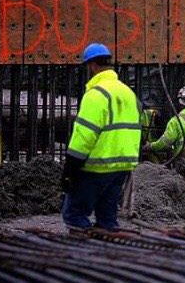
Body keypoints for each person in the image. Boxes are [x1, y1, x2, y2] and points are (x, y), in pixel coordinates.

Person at [61, 43, 142, 232]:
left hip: (96, 166)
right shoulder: (128, 93)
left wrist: (70, 168)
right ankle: (109, 252)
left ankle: (81, 253)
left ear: (92, 66)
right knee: (107, 219)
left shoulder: (96, 95)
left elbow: (84, 135)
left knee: (73, 215)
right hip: (122, 165)